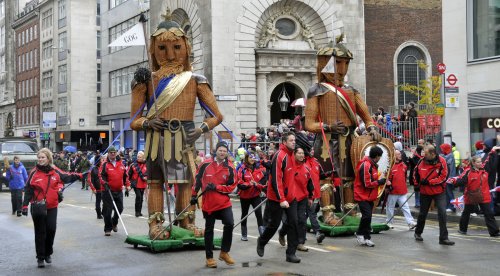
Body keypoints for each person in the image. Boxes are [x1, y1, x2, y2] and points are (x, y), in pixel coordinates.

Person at [129, 11, 223, 238]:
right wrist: (148, 122)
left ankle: (186, 222)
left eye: (176, 47)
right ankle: (155, 225)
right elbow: (134, 121)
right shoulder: (146, 81)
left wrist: (199, 130)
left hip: (184, 136)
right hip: (155, 138)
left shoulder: (196, 80)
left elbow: (217, 116)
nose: (170, 54)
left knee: (184, 183)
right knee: (155, 182)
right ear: (153, 50)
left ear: (186, 48)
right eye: (162, 48)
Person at [304, 35, 381, 220]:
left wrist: (372, 127)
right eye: (338, 62)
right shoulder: (317, 90)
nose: (342, 69)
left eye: (345, 63)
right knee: (326, 179)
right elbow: (309, 124)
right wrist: (328, 125)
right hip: (326, 141)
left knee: (349, 178)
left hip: (348, 140)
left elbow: (367, 117)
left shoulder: (352, 91)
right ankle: (328, 212)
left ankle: (350, 210)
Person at [22, 148, 84, 268]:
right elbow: (28, 189)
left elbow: (66, 177)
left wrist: (80, 175)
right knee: (40, 232)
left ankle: (48, 253)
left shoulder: (55, 170)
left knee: (51, 230)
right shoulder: (33, 172)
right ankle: (40, 257)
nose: (40, 160)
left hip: (51, 206)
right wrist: (24, 206)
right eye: (39, 157)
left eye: (43, 157)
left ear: (48, 158)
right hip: (38, 206)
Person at [257, 132, 301, 263]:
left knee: (294, 223)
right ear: (284, 142)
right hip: (276, 197)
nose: (294, 142)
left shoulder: (293, 154)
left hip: (291, 197)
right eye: (291, 140)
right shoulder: (279, 156)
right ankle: (262, 241)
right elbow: (276, 180)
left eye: (294, 140)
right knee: (274, 224)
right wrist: (282, 199)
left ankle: (291, 254)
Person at [191, 142, 237, 268]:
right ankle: (209, 258)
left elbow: (231, 187)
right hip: (209, 202)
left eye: (224, 151)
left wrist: (217, 187)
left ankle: (224, 252)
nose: (222, 152)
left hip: (223, 202)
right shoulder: (205, 164)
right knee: (209, 229)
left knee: (230, 223)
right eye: (220, 150)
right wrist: (193, 195)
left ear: (227, 152)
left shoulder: (230, 168)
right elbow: (197, 180)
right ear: (215, 151)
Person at [448, 154, 500, 237]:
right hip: (471, 196)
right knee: (466, 213)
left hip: (484, 196)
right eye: (478, 162)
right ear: (473, 163)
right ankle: (462, 229)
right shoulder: (468, 171)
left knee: (489, 214)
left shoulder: (485, 169)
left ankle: (494, 232)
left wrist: (493, 152)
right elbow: (461, 180)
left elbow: (490, 161)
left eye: (481, 162)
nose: (480, 163)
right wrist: (453, 181)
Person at [413, 145, 454, 245]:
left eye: (426, 154)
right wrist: (416, 184)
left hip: (439, 191)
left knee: (442, 213)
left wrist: (430, 182)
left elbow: (443, 177)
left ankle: (443, 238)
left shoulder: (442, 161)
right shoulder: (420, 161)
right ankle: (418, 233)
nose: (424, 156)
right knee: (423, 213)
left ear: (433, 154)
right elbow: (415, 174)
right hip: (425, 192)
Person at [279, 146, 314, 251]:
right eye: (299, 153)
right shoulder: (289, 167)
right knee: (290, 221)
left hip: (302, 198)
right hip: (290, 198)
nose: (301, 155)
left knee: (302, 220)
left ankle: (300, 243)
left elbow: (310, 184)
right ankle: (282, 233)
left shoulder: (306, 168)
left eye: (303, 153)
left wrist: (311, 197)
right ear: (294, 155)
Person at [354, 146, 386, 247]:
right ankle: (360, 233)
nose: (380, 158)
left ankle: (366, 237)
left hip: (369, 196)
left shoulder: (372, 165)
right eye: (380, 156)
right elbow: (367, 184)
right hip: (362, 195)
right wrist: (380, 182)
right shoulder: (366, 165)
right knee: (367, 215)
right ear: (376, 156)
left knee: (368, 217)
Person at [99, 146, 131, 236]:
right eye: (111, 152)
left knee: (120, 209)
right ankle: (107, 228)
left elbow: (125, 176)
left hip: (119, 190)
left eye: (114, 152)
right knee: (108, 211)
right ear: (108, 154)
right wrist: (104, 183)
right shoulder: (105, 164)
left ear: (116, 153)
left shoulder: (121, 164)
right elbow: (101, 175)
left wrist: (127, 185)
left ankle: (114, 222)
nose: (113, 154)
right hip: (108, 191)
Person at [236, 151, 267, 241]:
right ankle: (244, 234)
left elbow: (263, 183)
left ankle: (262, 235)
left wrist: (257, 184)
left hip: (255, 196)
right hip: (244, 196)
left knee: (259, 214)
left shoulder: (259, 169)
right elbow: (239, 184)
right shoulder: (242, 168)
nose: (252, 159)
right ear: (246, 158)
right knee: (244, 214)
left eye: (254, 157)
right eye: (250, 157)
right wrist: (249, 184)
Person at [385, 150, 417, 229]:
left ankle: (410, 222)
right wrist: (387, 183)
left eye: (400, 154)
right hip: (392, 191)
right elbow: (385, 177)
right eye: (398, 154)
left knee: (405, 207)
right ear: (394, 155)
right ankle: (389, 222)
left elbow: (404, 176)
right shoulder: (389, 166)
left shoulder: (404, 165)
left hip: (402, 191)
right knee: (390, 207)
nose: (400, 155)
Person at [305, 149, 326, 243]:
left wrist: (330, 173)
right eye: (310, 149)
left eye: (313, 149)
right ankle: (318, 232)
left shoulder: (316, 162)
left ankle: (302, 232)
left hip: (315, 193)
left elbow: (322, 175)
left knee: (309, 213)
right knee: (311, 213)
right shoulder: (303, 161)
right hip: (305, 193)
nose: (312, 151)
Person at [128, 151, 148, 217]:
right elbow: (129, 175)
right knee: (138, 197)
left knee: (141, 198)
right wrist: (129, 184)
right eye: (138, 157)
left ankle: (139, 211)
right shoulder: (133, 165)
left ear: (143, 158)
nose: (139, 158)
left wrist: (146, 177)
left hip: (143, 184)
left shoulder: (146, 165)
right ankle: (137, 212)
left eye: (140, 157)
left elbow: (148, 174)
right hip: (136, 184)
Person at [440, 144, 457, 212]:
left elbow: (446, 163)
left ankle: (452, 206)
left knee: (449, 192)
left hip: (449, 178)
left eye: (442, 148)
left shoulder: (450, 156)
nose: (441, 150)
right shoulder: (448, 155)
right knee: (447, 192)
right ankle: (448, 206)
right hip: (447, 177)